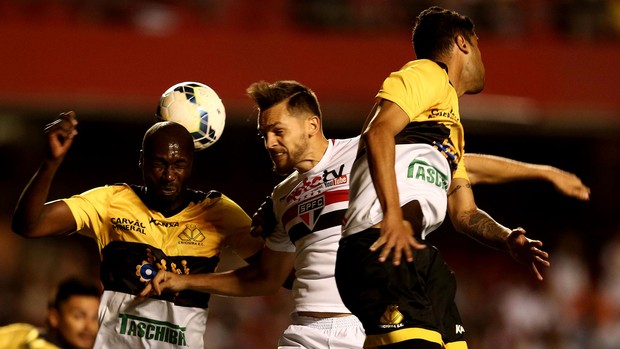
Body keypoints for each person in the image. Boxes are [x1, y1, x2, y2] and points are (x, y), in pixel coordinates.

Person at [141, 80, 587, 348]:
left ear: (311, 124)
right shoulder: (280, 197)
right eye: (263, 136)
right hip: (304, 333)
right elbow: (264, 277)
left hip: (365, 328)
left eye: (277, 131)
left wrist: (541, 172)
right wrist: (184, 280)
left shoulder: (365, 150)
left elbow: (456, 166)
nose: (270, 142)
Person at [335, 6, 555, 348]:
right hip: (379, 242)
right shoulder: (426, 74)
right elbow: (378, 132)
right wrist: (392, 213)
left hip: (418, 253)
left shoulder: (451, 130)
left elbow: (464, 214)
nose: (483, 57)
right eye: (479, 45)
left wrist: (506, 238)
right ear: (462, 42)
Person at [11, 112, 265, 349]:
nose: (169, 175)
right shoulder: (111, 202)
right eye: (159, 164)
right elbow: (30, 225)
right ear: (142, 160)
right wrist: (50, 163)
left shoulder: (218, 212)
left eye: (179, 165)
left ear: (191, 165)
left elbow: (273, 275)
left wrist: (278, 226)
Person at [0, 276, 101, 349]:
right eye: (78, 316)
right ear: (54, 317)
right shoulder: (17, 337)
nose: (89, 327)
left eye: (95, 318)